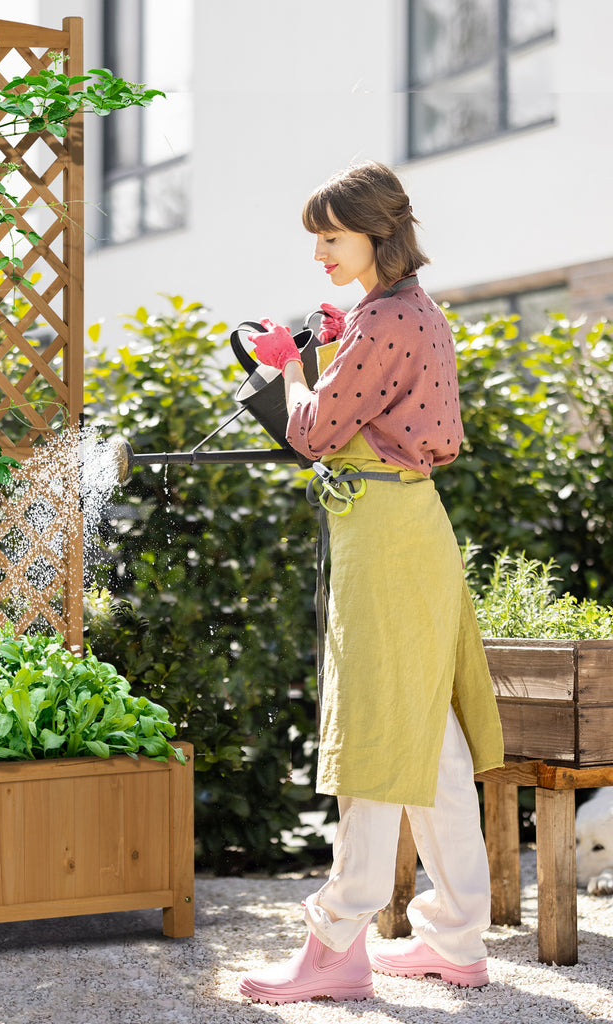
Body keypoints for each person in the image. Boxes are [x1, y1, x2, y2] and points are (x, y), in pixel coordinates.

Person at [237, 161, 505, 1006]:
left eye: (331, 237)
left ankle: (335, 947)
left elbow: (314, 430)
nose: (319, 253)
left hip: (383, 535)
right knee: (433, 742)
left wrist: (288, 365)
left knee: (374, 737)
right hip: (415, 522)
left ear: (375, 234)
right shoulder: (411, 310)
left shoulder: (383, 319)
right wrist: (328, 344)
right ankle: (456, 940)